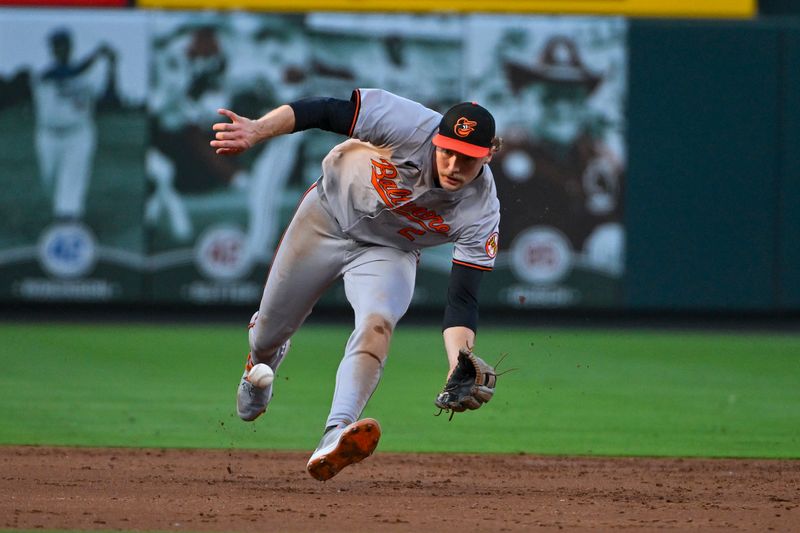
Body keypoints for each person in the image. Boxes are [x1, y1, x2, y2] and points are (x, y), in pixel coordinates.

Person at [210, 89, 501, 481]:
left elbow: (462, 299)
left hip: (390, 251)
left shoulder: (482, 210)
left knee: (378, 324)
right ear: (436, 138)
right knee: (267, 335)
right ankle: (260, 361)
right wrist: (258, 130)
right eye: (446, 150)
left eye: (467, 157)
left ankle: (335, 433)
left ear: (489, 155)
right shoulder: (407, 123)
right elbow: (324, 110)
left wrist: (457, 362)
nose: (452, 164)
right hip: (326, 217)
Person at [31, 28, 117, 223]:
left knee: (72, 181)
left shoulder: (86, 75)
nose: (61, 50)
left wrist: (112, 65)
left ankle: (69, 218)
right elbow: (65, 73)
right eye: (57, 46)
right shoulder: (43, 72)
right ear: (52, 50)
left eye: (65, 45)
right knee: (50, 180)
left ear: (71, 47)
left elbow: (110, 97)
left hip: (78, 133)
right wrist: (97, 55)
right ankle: (62, 211)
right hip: (48, 135)